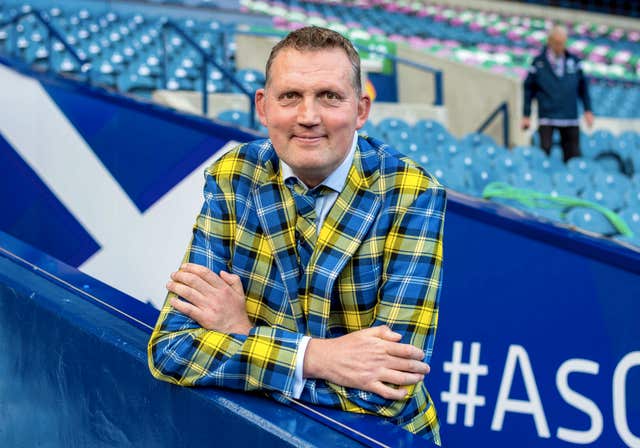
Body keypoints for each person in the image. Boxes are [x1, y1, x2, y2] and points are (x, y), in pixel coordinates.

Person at [147, 26, 446, 445]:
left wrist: (243, 333)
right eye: (290, 96)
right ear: (263, 107)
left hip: (377, 438)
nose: (308, 116)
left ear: (361, 110)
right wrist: (317, 356)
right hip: (261, 431)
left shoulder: (413, 193)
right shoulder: (234, 175)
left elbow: (387, 394)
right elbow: (174, 350)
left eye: (329, 96)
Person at [522, 25, 594, 162]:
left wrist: (588, 110)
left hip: (570, 116)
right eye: (557, 43)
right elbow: (528, 89)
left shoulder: (575, 62)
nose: (560, 46)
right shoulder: (538, 63)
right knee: (544, 153)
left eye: (562, 43)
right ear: (549, 41)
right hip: (547, 116)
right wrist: (526, 114)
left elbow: (583, 88)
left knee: (573, 155)